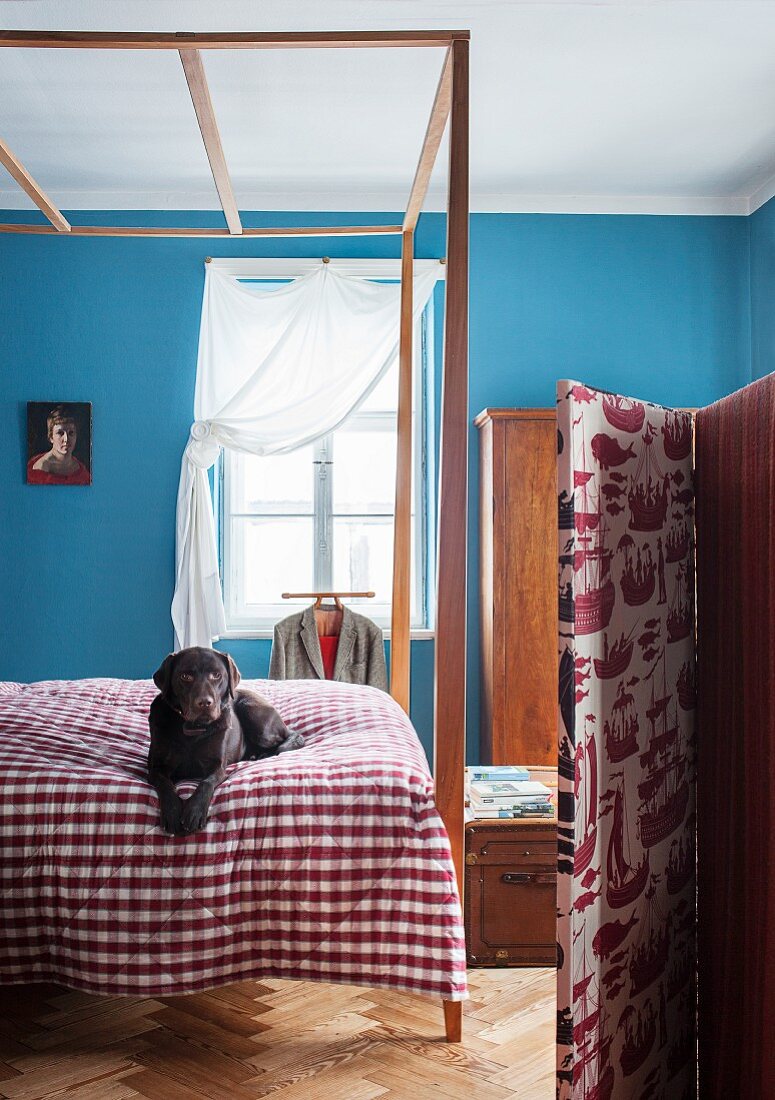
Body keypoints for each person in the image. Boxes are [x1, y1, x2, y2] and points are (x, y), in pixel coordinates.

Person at [27, 405, 91, 485]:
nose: (66, 439)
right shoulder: (41, 469)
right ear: (51, 437)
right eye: (60, 433)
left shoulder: (82, 471)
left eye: (71, 433)